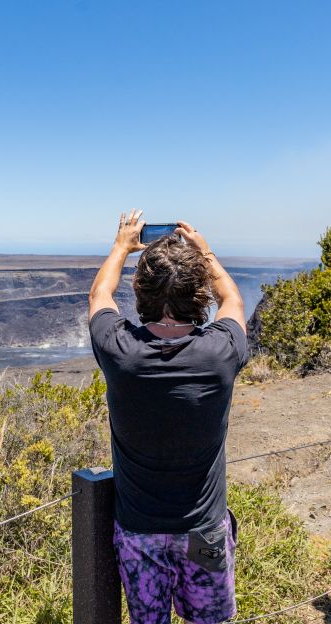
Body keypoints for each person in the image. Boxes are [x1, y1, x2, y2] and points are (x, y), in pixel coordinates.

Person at [88, 209, 248, 624]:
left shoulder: (120, 352)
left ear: (141, 293)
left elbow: (99, 298)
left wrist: (121, 247)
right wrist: (205, 252)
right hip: (203, 528)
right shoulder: (220, 353)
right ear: (200, 295)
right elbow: (232, 300)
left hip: (139, 531)